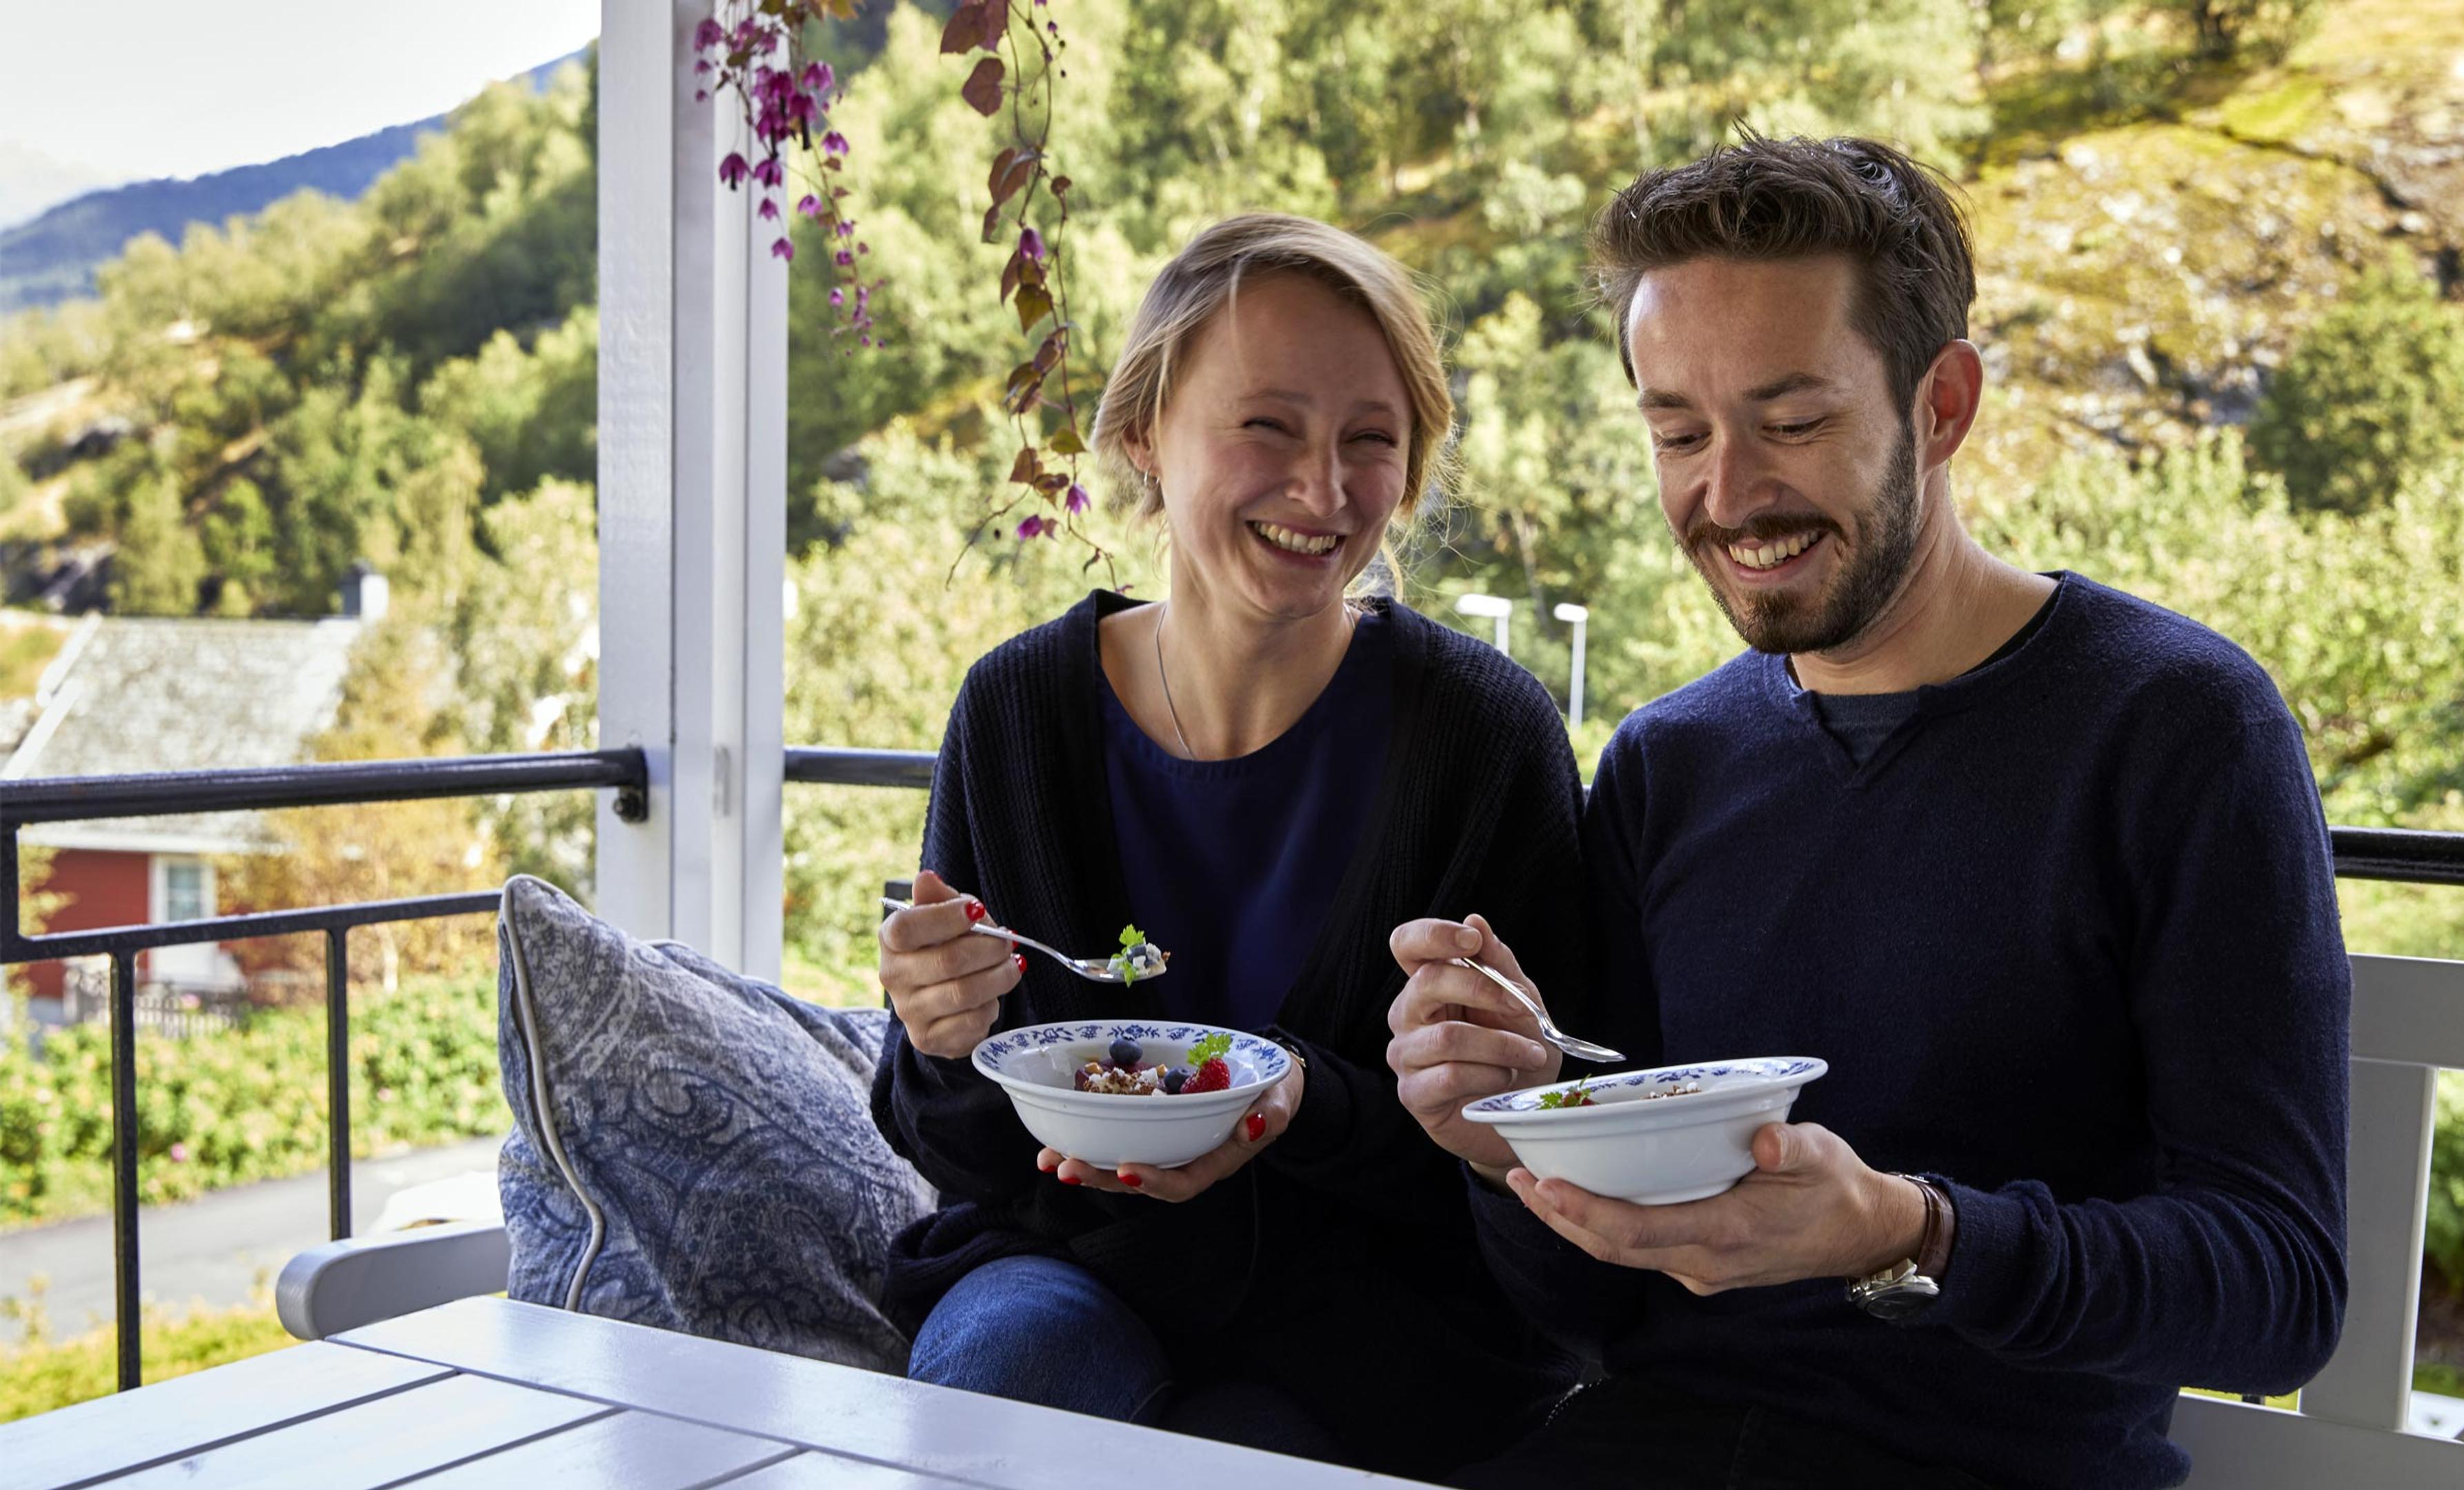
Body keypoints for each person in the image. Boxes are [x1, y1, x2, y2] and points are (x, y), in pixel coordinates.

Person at [1386, 136, 2351, 1490]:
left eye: (1791, 423)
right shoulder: (1671, 763)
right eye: (1678, 431)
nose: (1725, 496)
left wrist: (1911, 1232)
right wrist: (1506, 1146)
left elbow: (2280, 1292)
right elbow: (1593, 1311)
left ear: (1942, 405)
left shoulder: (2178, 728)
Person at [871, 212, 1582, 1478]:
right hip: (1066, 1267)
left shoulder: (1484, 737)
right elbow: (969, 1151)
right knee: (1013, 1369)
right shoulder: (1019, 712)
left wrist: (1316, 1106)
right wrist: (941, 1040)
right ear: (1146, 432)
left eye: (1372, 441)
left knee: (1241, 1448)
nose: (1324, 491)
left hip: (1369, 1316)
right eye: (1267, 426)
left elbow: (1533, 1171)